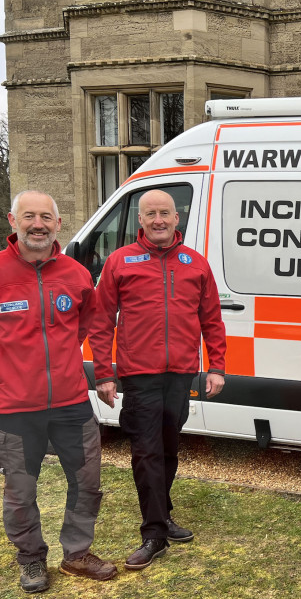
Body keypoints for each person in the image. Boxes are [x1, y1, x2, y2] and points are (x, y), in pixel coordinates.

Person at [0, 191, 117, 592]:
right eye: (29, 216)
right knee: (20, 490)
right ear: (13, 221)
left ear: (58, 225)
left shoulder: (76, 274)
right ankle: (30, 559)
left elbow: (86, 324)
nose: (37, 224)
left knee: (88, 481)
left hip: (71, 403)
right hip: (14, 408)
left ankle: (77, 554)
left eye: (46, 216)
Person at [89, 189, 226, 570]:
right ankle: (153, 534)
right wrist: (104, 373)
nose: (158, 220)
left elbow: (211, 318)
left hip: (180, 374)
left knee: (168, 448)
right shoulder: (120, 261)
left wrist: (216, 366)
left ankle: (163, 514)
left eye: (165, 213)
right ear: (141, 221)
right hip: (140, 375)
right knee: (146, 451)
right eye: (150, 214)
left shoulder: (195, 263)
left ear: (177, 218)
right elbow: (101, 322)